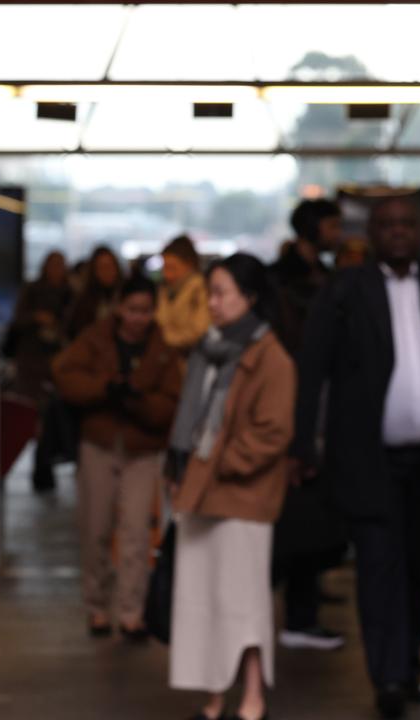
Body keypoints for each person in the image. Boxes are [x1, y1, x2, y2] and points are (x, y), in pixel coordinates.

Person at [292, 195, 420, 720]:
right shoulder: (344, 292)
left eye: (407, 224)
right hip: (368, 460)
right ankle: (385, 677)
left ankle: (409, 666)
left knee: (417, 571)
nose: (399, 233)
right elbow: (311, 370)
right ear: (372, 233)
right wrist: (301, 445)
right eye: (388, 225)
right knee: (378, 569)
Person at [168, 253, 295, 720]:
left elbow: (273, 433)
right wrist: (189, 468)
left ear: (251, 298)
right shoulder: (208, 348)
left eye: (222, 293)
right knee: (200, 600)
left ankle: (252, 696)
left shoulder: (271, 356)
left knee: (243, 604)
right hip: (199, 492)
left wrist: (219, 464)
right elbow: (190, 420)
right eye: (211, 294)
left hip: (243, 498)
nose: (214, 304)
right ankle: (214, 695)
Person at [52, 274, 182, 640]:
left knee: (137, 533)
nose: (138, 318)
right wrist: (104, 388)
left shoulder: (163, 349)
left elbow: (173, 403)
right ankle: (97, 606)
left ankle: (131, 612)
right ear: (119, 307)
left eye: (146, 310)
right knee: (95, 529)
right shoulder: (95, 338)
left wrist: (138, 402)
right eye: (132, 309)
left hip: (143, 451)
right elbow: (64, 375)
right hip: (99, 446)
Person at [271, 199, 347, 653]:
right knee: (297, 514)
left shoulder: (324, 277)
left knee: (313, 515)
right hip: (293, 410)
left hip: (319, 408)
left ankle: (304, 605)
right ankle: (297, 614)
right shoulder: (284, 281)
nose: (338, 232)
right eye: (333, 223)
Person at [4, 251, 74, 492]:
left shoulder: (70, 293)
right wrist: (36, 318)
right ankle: (40, 466)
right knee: (29, 416)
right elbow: (16, 320)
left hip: (58, 364)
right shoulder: (33, 291)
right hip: (32, 362)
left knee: (51, 417)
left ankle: (45, 464)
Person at [271, 199, 342, 353]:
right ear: (312, 227)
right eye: (332, 226)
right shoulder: (279, 277)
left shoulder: (326, 273)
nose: (338, 234)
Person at [156, 235, 210, 351]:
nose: (167, 274)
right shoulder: (166, 289)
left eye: (172, 268)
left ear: (189, 265)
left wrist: (163, 338)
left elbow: (198, 332)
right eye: (164, 268)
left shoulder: (201, 289)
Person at [67, 246, 122, 339]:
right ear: (94, 271)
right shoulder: (84, 301)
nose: (107, 271)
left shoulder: (126, 295)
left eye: (109, 266)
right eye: (101, 267)